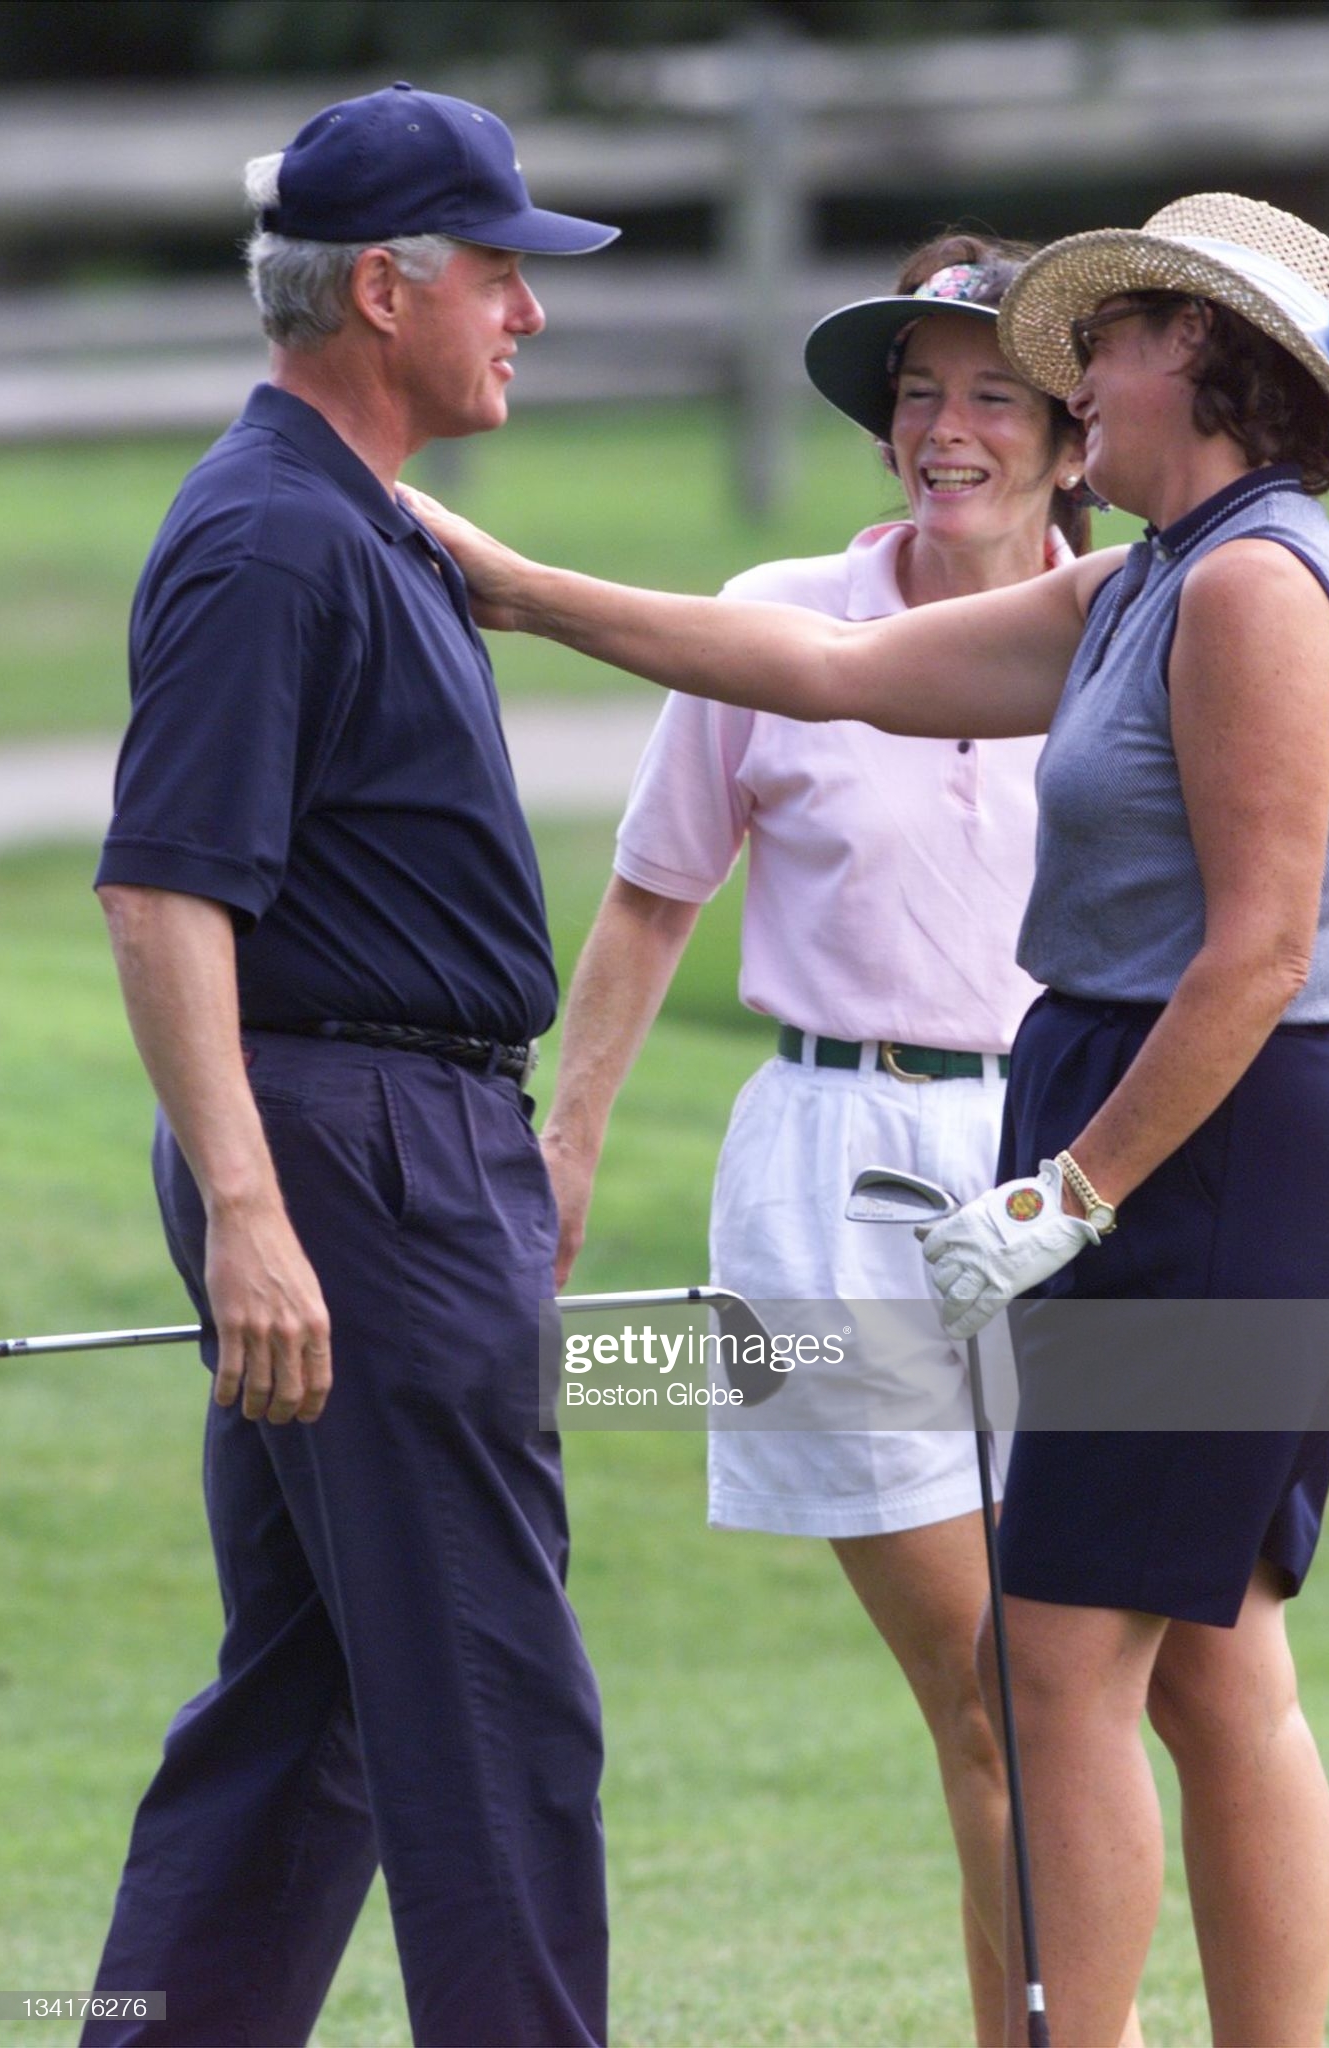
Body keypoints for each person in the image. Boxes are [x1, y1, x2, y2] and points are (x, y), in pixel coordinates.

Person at [405, 193, 1329, 2047]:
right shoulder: (1146, 576)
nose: (1085, 369)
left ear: (1215, 370)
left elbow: (1251, 960)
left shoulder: (1252, 583)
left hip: (1211, 1154)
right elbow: (828, 671)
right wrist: (514, 584)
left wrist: (1063, 1194)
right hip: (1158, 1134)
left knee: (1073, 1661)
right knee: (1203, 1652)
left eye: (1126, 335)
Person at [526, 233, 1133, 2048]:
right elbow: (647, 903)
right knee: (990, 1691)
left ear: (1075, 438)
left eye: (993, 398)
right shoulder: (775, 615)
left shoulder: (1144, 624)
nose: (946, 430)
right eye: (918, 396)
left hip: (1077, 1174)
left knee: (1095, 1686)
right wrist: (567, 1139)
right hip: (828, 1164)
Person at [82, 85, 618, 2048]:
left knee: (308, 1708)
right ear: (383, 289)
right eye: (500, 274)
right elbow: (161, 896)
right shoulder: (267, 540)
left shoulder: (353, 518)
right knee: (494, 1712)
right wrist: (250, 1211)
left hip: (371, 1150)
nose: (528, 315)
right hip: (356, 1161)